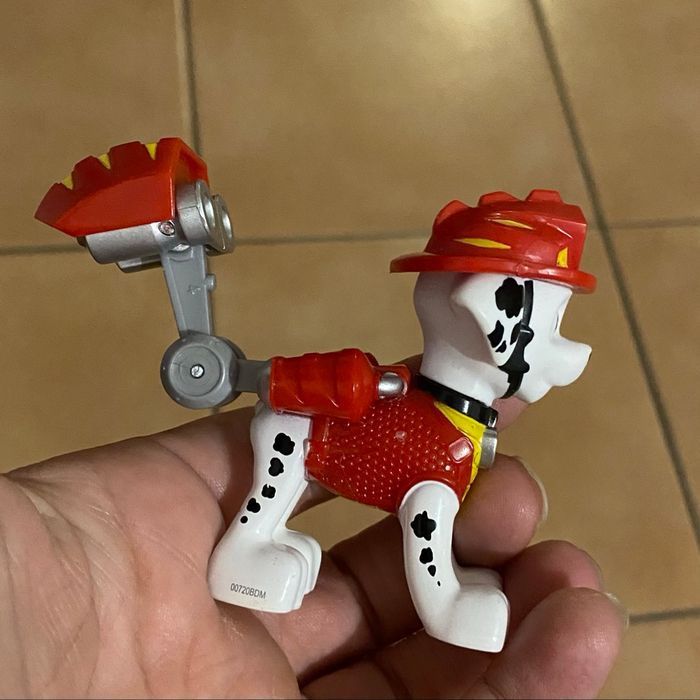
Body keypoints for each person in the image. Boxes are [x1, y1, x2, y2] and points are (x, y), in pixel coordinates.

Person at [0, 399, 625, 698]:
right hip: (302, 433)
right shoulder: (434, 436)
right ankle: (439, 601)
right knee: (286, 494)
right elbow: (424, 520)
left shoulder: (447, 423)